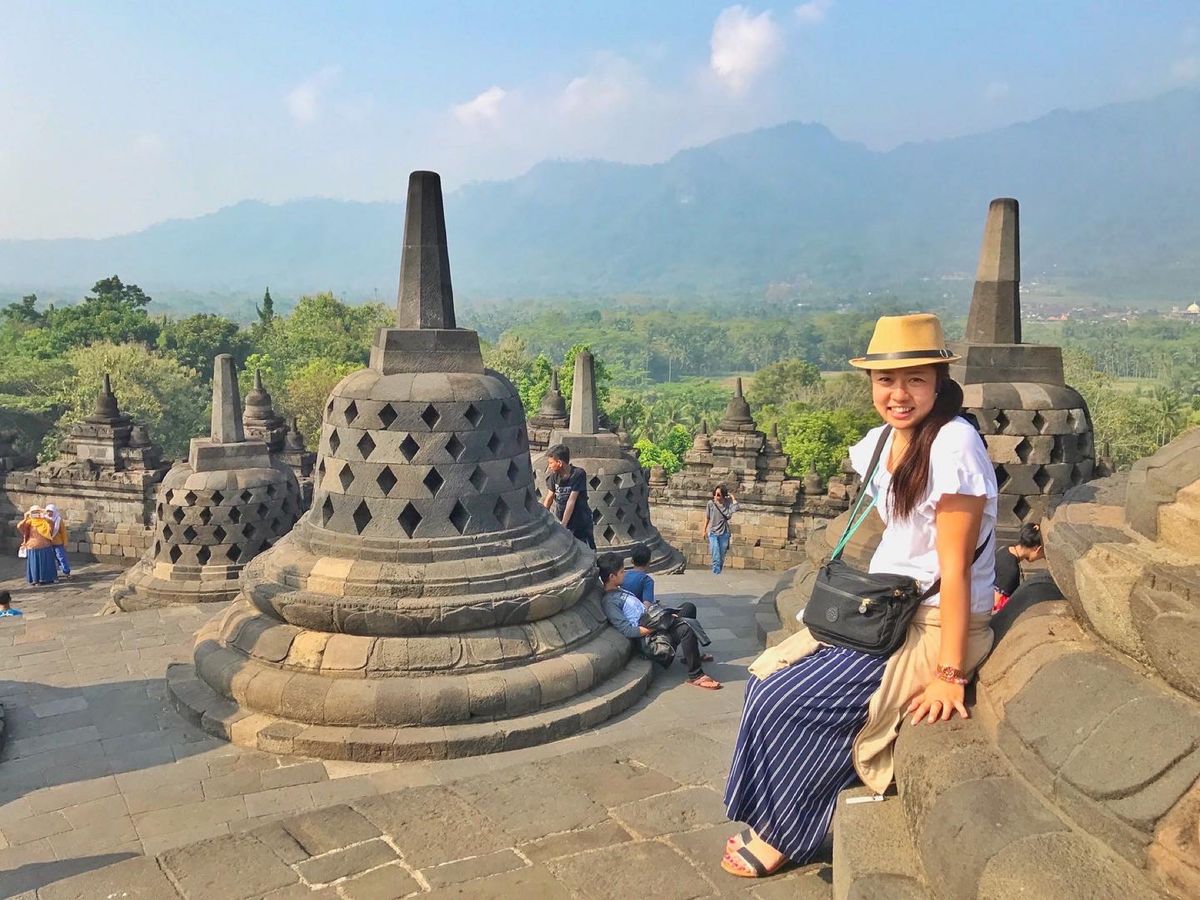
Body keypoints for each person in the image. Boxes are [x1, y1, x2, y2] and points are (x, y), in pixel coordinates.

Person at [721, 313, 997, 879]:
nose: (898, 395)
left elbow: (955, 565)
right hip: (881, 608)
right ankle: (774, 816)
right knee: (764, 681)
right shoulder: (884, 444)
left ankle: (793, 834)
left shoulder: (954, 446)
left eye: (915, 380)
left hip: (934, 623)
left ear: (939, 382)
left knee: (793, 703)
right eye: (885, 382)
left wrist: (950, 673)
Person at [599, 551, 721, 690]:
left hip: (653, 621)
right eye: (621, 572)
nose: (624, 574)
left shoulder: (619, 590)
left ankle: (691, 655)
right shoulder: (610, 602)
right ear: (611, 576)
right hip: (650, 638)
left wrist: (664, 616)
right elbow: (628, 630)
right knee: (685, 629)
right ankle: (696, 675)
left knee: (688, 608)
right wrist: (661, 625)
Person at [542, 443, 596, 549]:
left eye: (551, 463)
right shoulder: (554, 476)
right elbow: (549, 497)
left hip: (580, 521)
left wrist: (564, 525)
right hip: (561, 516)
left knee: (586, 548)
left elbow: (571, 501)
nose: (549, 466)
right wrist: (543, 516)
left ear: (560, 463)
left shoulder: (578, 474)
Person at [992, 522, 1044, 612]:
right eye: (1043, 554)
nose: (1042, 557)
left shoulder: (1005, 549)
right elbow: (996, 604)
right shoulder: (1010, 570)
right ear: (1038, 549)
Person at [17, 506, 58, 586]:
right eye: (34, 512)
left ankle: (47, 578)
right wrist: (25, 518)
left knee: (46, 563)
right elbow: (19, 527)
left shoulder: (44, 522)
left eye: (37, 512)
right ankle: (36, 580)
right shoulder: (29, 522)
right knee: (34, 564)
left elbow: (52, 525)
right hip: (33, 546)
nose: (36, 514)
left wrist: (44, 517)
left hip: (45, 545)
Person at [703, 484, 739, 574]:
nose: (716, 496)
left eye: (718, 495)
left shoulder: (727, 503)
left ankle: (718, 572)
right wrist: (704, 530)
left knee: (721, 555)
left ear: (723, 495)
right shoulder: (711, 504)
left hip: (724, 533)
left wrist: (732, 498)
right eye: (715, 494)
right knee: (715, 552)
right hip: (713, 532)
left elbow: (736, 508)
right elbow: (707, 517)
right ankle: (716, 573)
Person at [45, 503, 72, 578]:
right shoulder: (44, 520)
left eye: (51, 511)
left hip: (58, 542)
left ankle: (66, 572)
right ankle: (52, 574)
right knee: (50, 559)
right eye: (47, 511)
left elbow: (63, 532)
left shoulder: (58, 520)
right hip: (47, 543)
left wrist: (65, 542)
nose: (49, 513)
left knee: (61, 558)